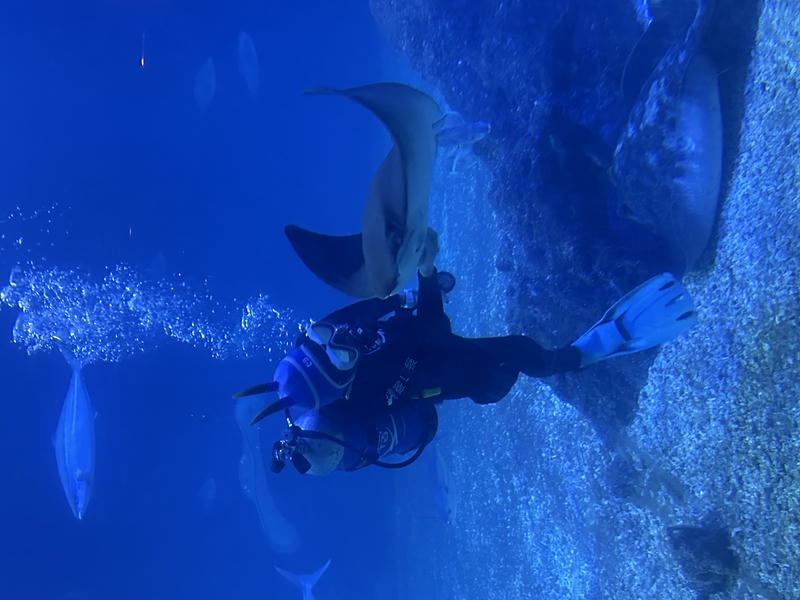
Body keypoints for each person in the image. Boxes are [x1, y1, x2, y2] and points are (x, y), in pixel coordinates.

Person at [234, 268, 696, 475]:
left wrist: (399, 301)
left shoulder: (328, 347)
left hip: (413, 352)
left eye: (322, 337)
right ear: (335, 386)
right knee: (510, 360)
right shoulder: (368, 394)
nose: (337, 341)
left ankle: (564, 357)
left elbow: (351, 315)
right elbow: (429, 338)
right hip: (442, 374)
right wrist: (428, 277)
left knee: (474, 352)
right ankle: (580, 355)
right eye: (337, 354)